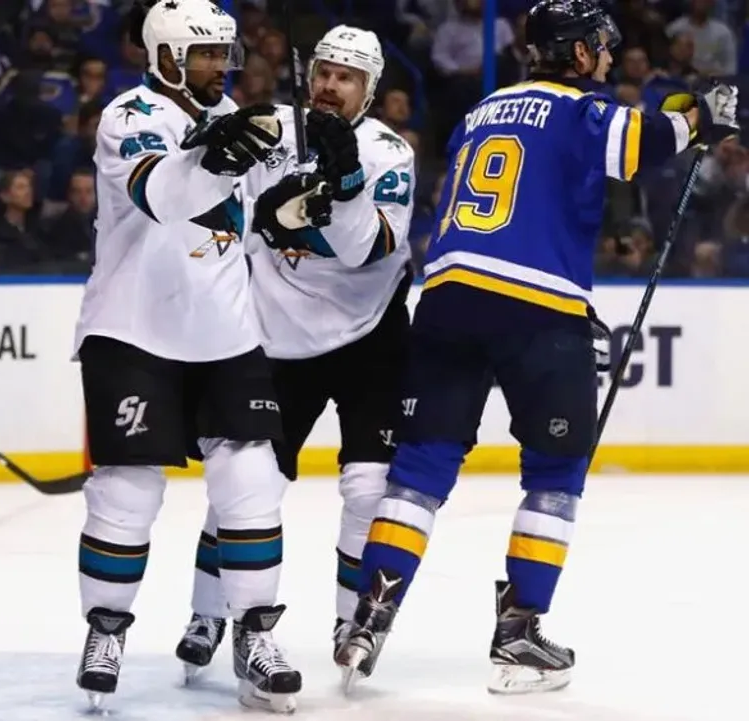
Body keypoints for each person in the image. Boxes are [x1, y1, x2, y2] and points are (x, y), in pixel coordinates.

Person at [334, 0, 738, 695]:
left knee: (420, 468)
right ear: (577, 54)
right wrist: (704, 116)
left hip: (447, 298)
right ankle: (519, 634)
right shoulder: (581, 109)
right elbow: (642, 143)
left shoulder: (480, 112)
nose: (606, 59)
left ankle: (367, 619)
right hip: (537, 307)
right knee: (556, 472)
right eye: (600, 48)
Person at [73, 0, 301, 713]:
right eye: (204, 54)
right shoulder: (129, 116)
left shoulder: (234, 117)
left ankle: (255, 633)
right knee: (127, 489)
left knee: (253, 479)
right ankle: (106, 630)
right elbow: (162, 195)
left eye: (223, 54)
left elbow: (270, 212)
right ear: (166, 57)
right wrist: (223, 151)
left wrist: (314, 192)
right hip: (134, 329)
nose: (218, 67)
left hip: (224, 331)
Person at [173, 25, 418, 686]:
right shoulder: (272, 129)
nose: (331, 86)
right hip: (278, 336)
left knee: (368, 487)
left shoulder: (388, 153)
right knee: (246, 485)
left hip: (370, 336)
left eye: (347, 77)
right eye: (325, 73)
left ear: (370, 88)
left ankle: (350, 623)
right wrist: (214, 146)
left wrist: (345, 183)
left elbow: (368, 249)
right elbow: (208, 197)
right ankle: (208, 611)